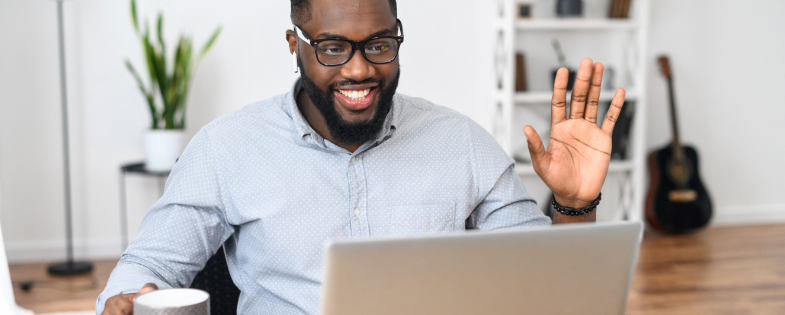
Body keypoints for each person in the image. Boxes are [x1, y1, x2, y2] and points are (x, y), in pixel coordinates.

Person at [97, 0, 626, 313]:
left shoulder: (460, 142)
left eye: (378, 45)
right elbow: (147, 266)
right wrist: (126, 300)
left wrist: (572, 203)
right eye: (332, 47)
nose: (358, 70)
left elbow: (550, 289)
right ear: (294, 43)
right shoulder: (226, 148)